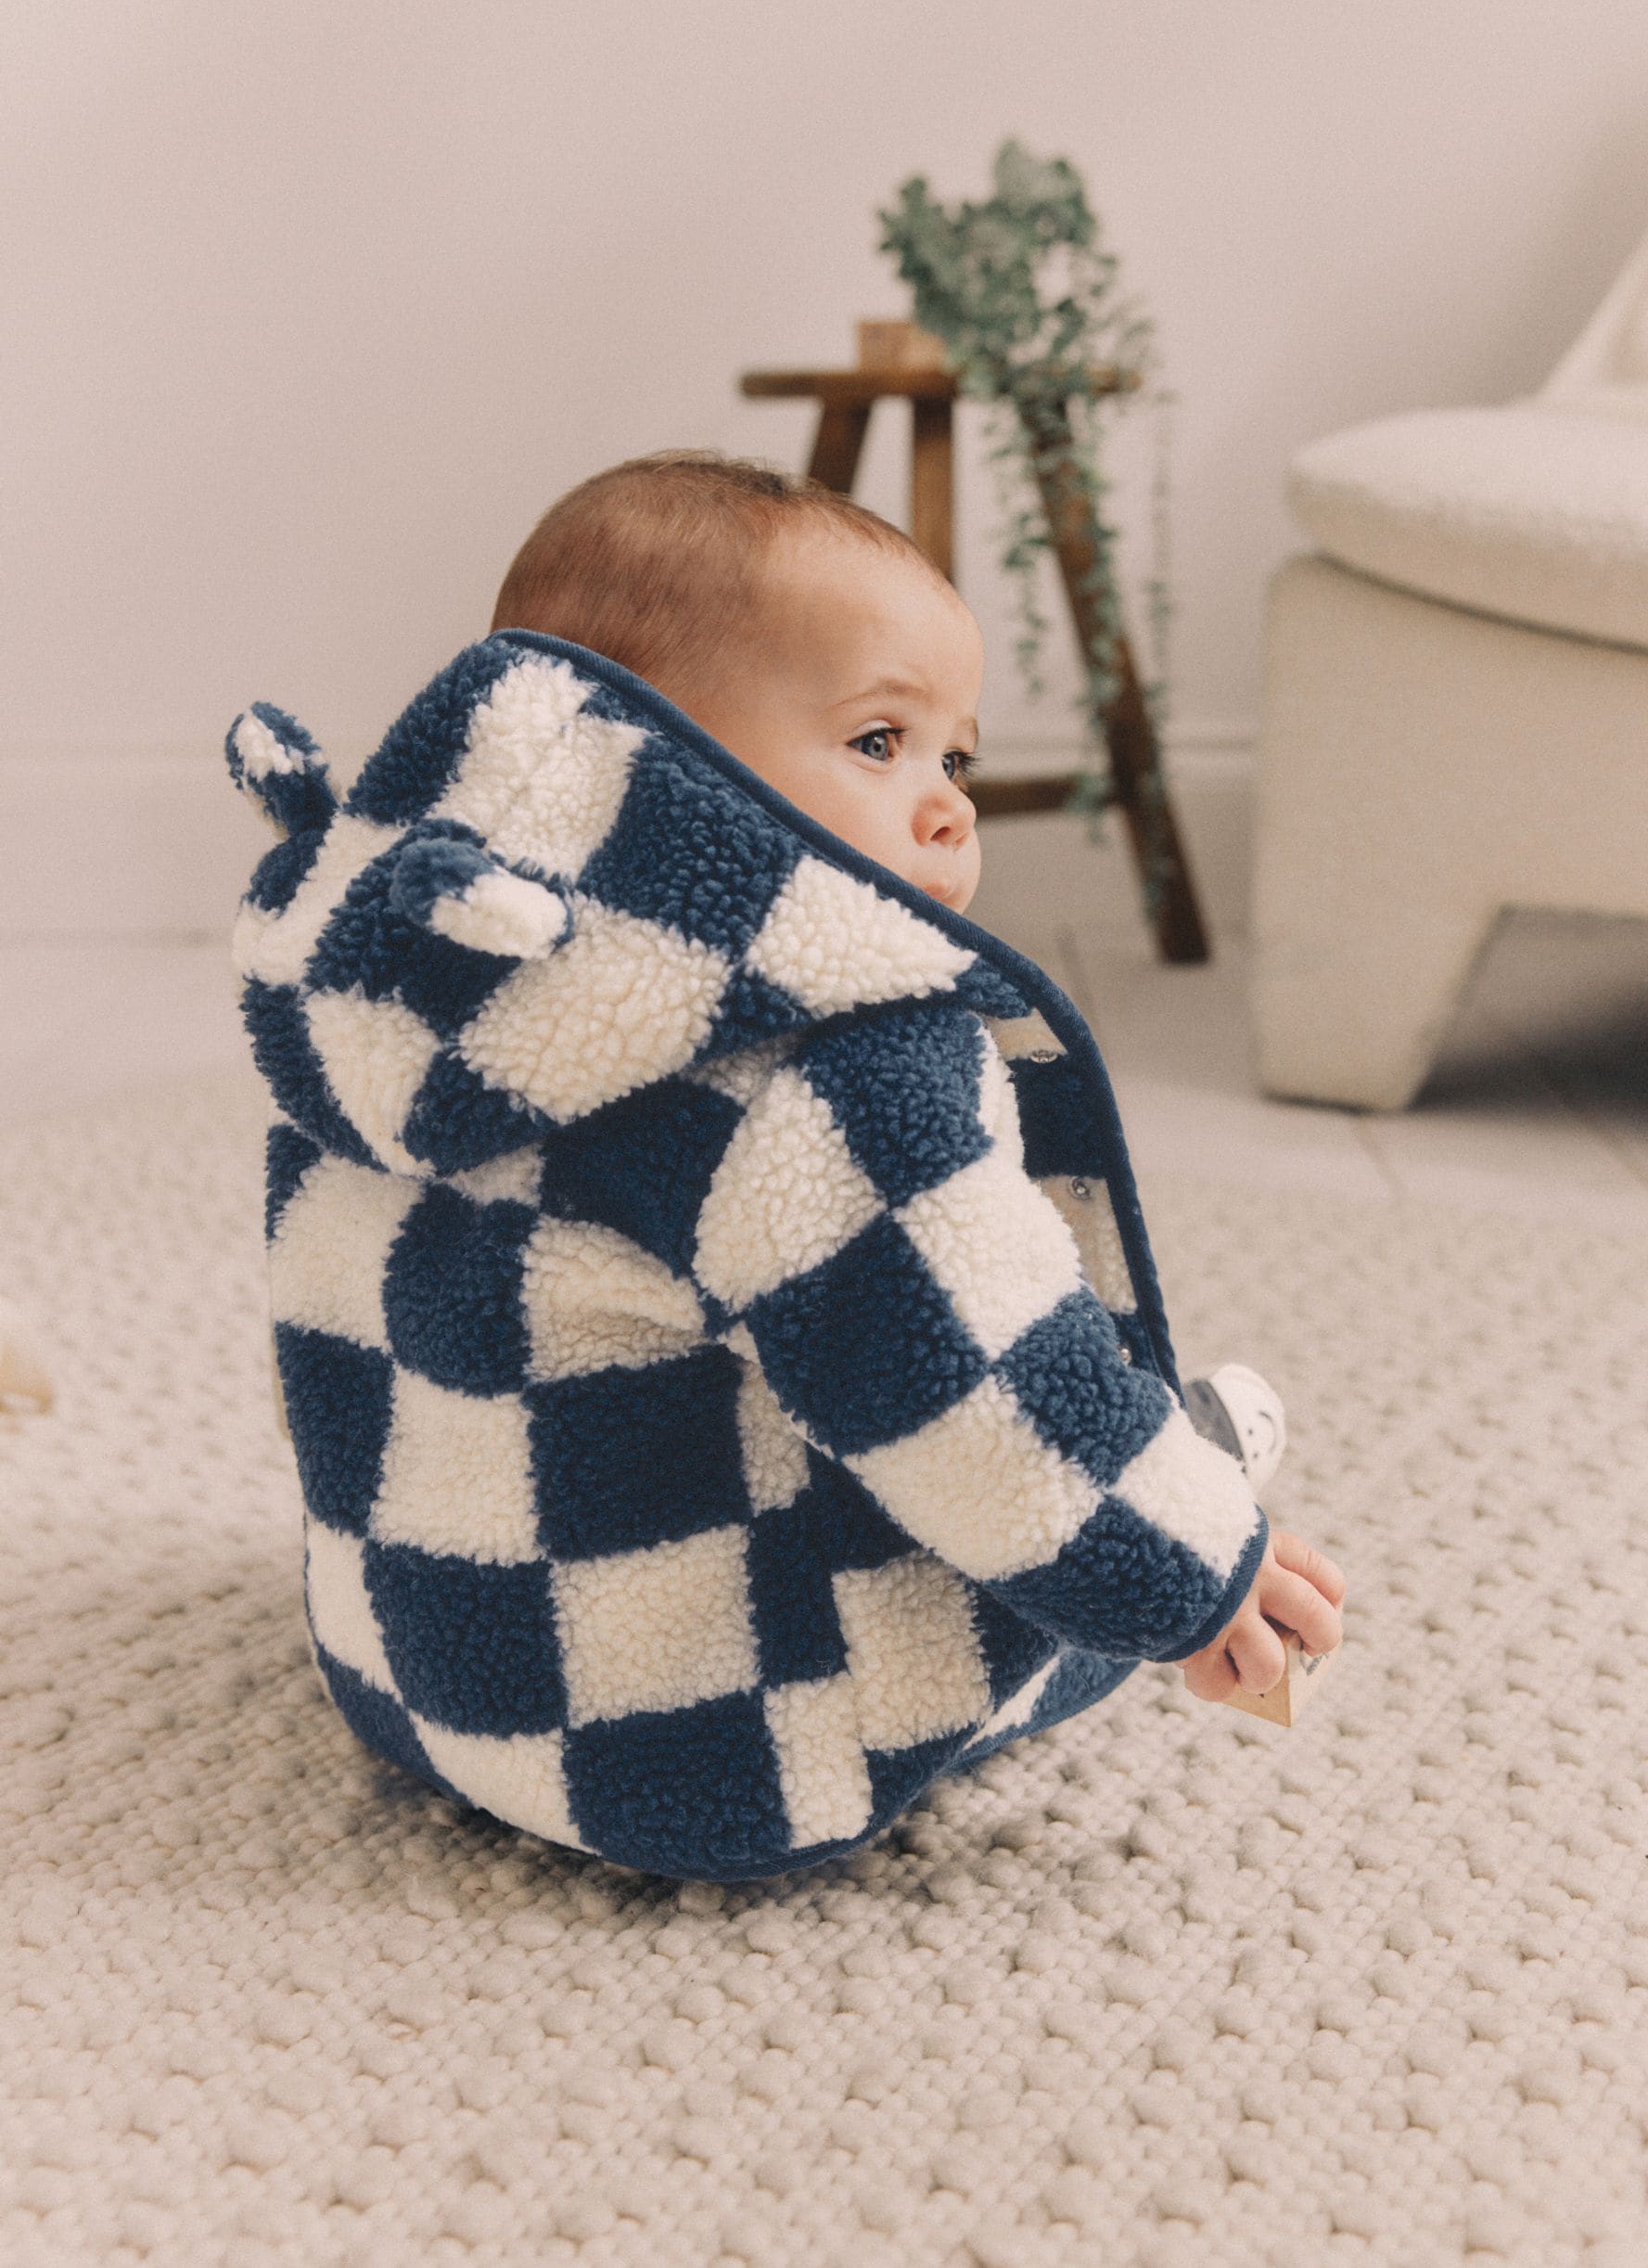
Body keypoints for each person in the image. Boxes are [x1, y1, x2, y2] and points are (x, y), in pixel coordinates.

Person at [228, 451, 1344, 1881]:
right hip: (725, 1748)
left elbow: (335, 1354)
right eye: (880, 742)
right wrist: (1198, 1575)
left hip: (418, 1672)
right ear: (630, 756)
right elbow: (973, 1388)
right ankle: (1165, 1468)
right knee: (1051, 1506)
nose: (947, 807)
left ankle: (1144, 1458)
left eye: (959, 758)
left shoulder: (415, 990)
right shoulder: (826, 1071)